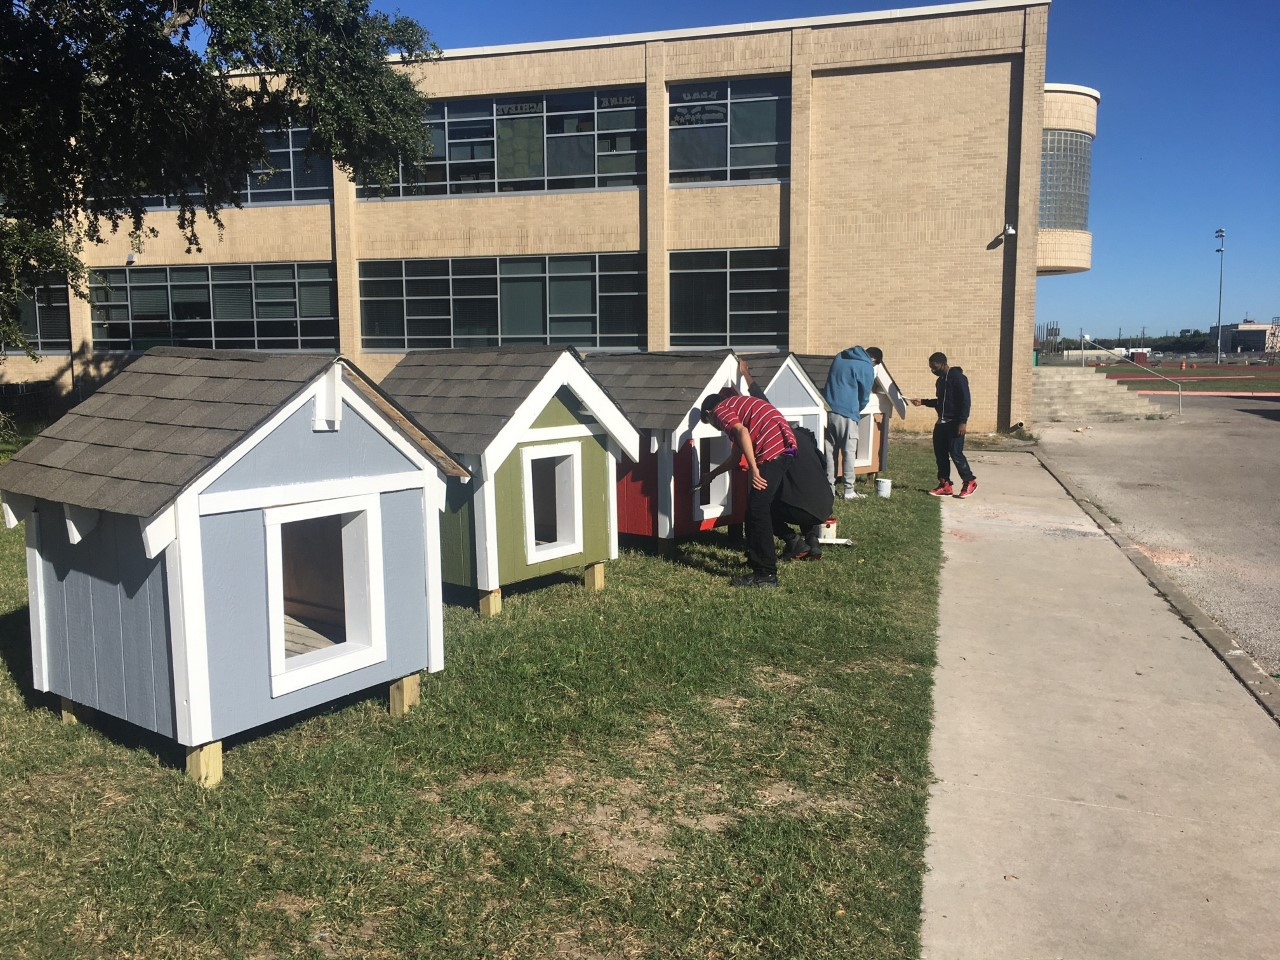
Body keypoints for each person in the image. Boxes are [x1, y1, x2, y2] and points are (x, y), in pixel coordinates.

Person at [698, 390, 798, 588]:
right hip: (786, 447)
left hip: (772, 448)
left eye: (711, 423)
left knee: (757, 509)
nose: (718, 427)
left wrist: (753, 468)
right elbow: (736, 457)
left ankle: (766, 574)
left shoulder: (720, 409)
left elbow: (742, 432)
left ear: (709, 413)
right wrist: (711, 475)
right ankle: (757, 561)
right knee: (755, 508)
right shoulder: (739, 408)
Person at [911, 352, 976, 498]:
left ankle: (969, 481)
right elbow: (940, 402)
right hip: (941, 422)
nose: (933, 371)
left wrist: (963, 422)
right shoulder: (940, 381)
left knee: (956, 453)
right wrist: (923, 402)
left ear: (943, 363)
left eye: (935, 367)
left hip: (955, 423)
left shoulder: (958, 378)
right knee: (940, 455)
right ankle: (945, 485)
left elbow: (966, 401)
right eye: (931, 368)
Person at [822, 346, 876, 499]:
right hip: (847, 412)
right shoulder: (866, 366)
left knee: (830, 452)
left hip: (829, 410)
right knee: (849, 452)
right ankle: (849, 490)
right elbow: (865, 394)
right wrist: (857, 409)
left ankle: (829, 489)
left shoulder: (840, 356)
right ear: (874, 360)